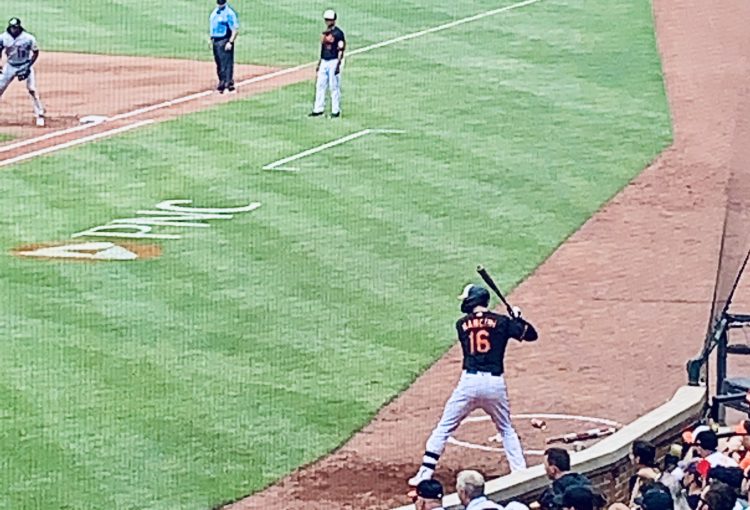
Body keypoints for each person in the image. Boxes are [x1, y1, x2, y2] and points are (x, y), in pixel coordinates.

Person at [408, 284, 538, 486]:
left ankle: (424, 474)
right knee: (506, 429)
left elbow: (480, 327)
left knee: (444, 427)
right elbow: (531, 335)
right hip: (495, 384)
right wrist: (517, 319)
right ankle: (520, 473)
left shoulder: (461, 324)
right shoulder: (502, 322)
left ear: (472, 301)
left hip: (469, 382)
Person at [0, 17, 45, 126]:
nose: (13, 30)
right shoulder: (3, 37)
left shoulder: (28, 38)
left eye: (15, 28)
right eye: (12, 28)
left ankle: (40, 114)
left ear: (19, 27)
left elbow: (35, 53)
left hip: (25, 64)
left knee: (32, 89)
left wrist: (27, 67)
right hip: (10, 66)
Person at [309, 9, 345, 118]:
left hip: (334, 61)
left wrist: (338, 65)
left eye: (329, 20)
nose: (327, 22)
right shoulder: (325, 34)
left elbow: (341, 49)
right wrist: (320, 63)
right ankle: (318, 109)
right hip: (325, 61)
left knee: (334, 86)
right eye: (326, 20)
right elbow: (323, 49)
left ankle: (335, 110)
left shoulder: (338, 33)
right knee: (320, 85)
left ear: (334, 20)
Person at [209, 0, 239, 93]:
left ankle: (228, 84)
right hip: (216, 41)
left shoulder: (229, 13)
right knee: (219, 63)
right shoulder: (215, 12)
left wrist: (230, 42)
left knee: (226, 64)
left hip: (224, 40)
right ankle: (222, 83)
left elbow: (234, 29)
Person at [629, 441, 662, 507]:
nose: (629, 457)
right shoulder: (658, 471)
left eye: (631, 454)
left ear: (637, 459)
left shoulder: (639, 477)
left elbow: (632, 504)